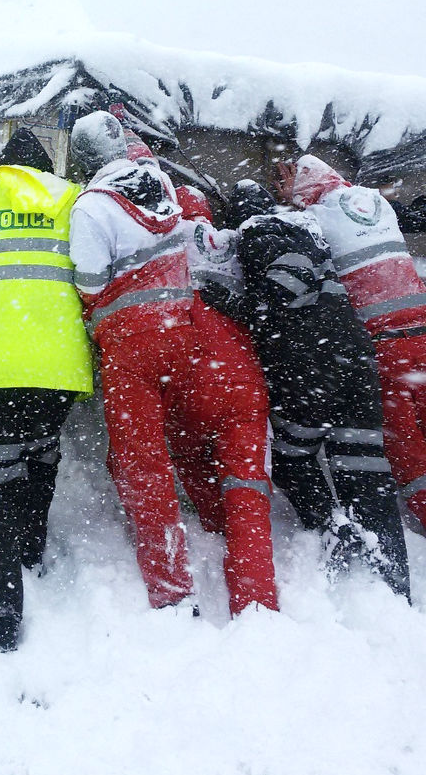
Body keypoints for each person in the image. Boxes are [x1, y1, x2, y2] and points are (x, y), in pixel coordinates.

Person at [68, 111, 277, 616]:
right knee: (187, 444)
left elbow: (91, 284)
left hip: (131, 346)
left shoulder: (92, 207)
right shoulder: (161, 184)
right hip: (183, 334)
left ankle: (172, 589)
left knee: (145, 462)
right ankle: (238, 567)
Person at [221, 179, 410, 598]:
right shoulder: (309, 227)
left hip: (307, 367)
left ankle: (331, 525)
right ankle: (393, 578)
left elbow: (282, 290)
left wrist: (230, 303)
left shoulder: (256, 231)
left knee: (293, 458)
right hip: (354, 355)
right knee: (364, 468)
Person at [0, 127, 93, 651]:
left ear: (2, 165)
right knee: (39, 454)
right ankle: (30, 549)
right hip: (61, 369)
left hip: (0, 368)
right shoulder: (73, 201)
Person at [277, 154, 426, 534]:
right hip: (422, 333)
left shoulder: (316, 222)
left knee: (406, 449)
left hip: (384, 348)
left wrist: (286, 201)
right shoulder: (375, 204)